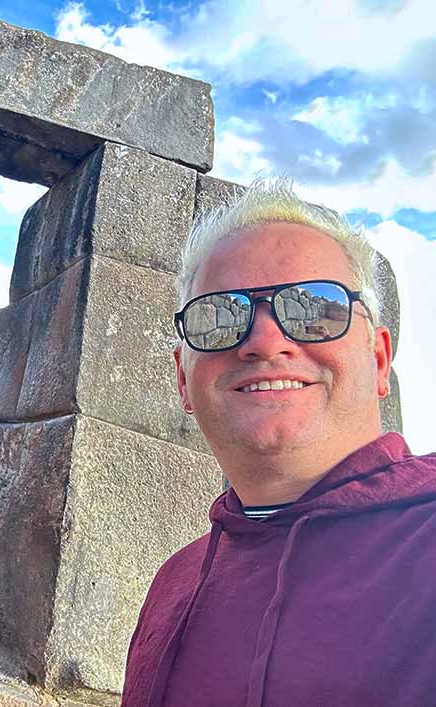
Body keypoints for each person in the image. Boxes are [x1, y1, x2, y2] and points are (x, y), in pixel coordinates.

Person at [121, 179, 436, 706]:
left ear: (379, 359)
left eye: (316, 310)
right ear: (183, 379)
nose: (265, 341)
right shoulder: (174, 583)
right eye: (219, 317)